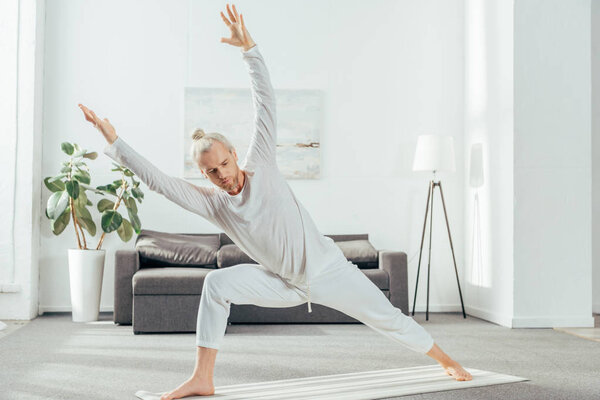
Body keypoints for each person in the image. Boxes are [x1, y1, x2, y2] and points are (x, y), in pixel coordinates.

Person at [78, 4, 472, 399]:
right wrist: (115, 143)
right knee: (216, 284)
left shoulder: (262, 164)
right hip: (284, 283)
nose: (223, 175)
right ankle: (203, 377)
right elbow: (160, 182)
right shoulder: (214, 204)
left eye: (225, 164)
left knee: (388, 319)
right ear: (204, 175)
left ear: (234, 154)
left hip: (329, 272)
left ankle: (446, 359)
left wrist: (249, 50)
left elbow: (265, 102)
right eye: (212, 172)